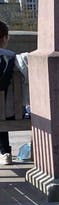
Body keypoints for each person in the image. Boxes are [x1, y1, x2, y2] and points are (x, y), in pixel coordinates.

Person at [0, 21, 16, 165]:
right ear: (4, 38)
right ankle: (5, 152)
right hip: (10, 114)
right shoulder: (11, 57)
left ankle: (4, 151)